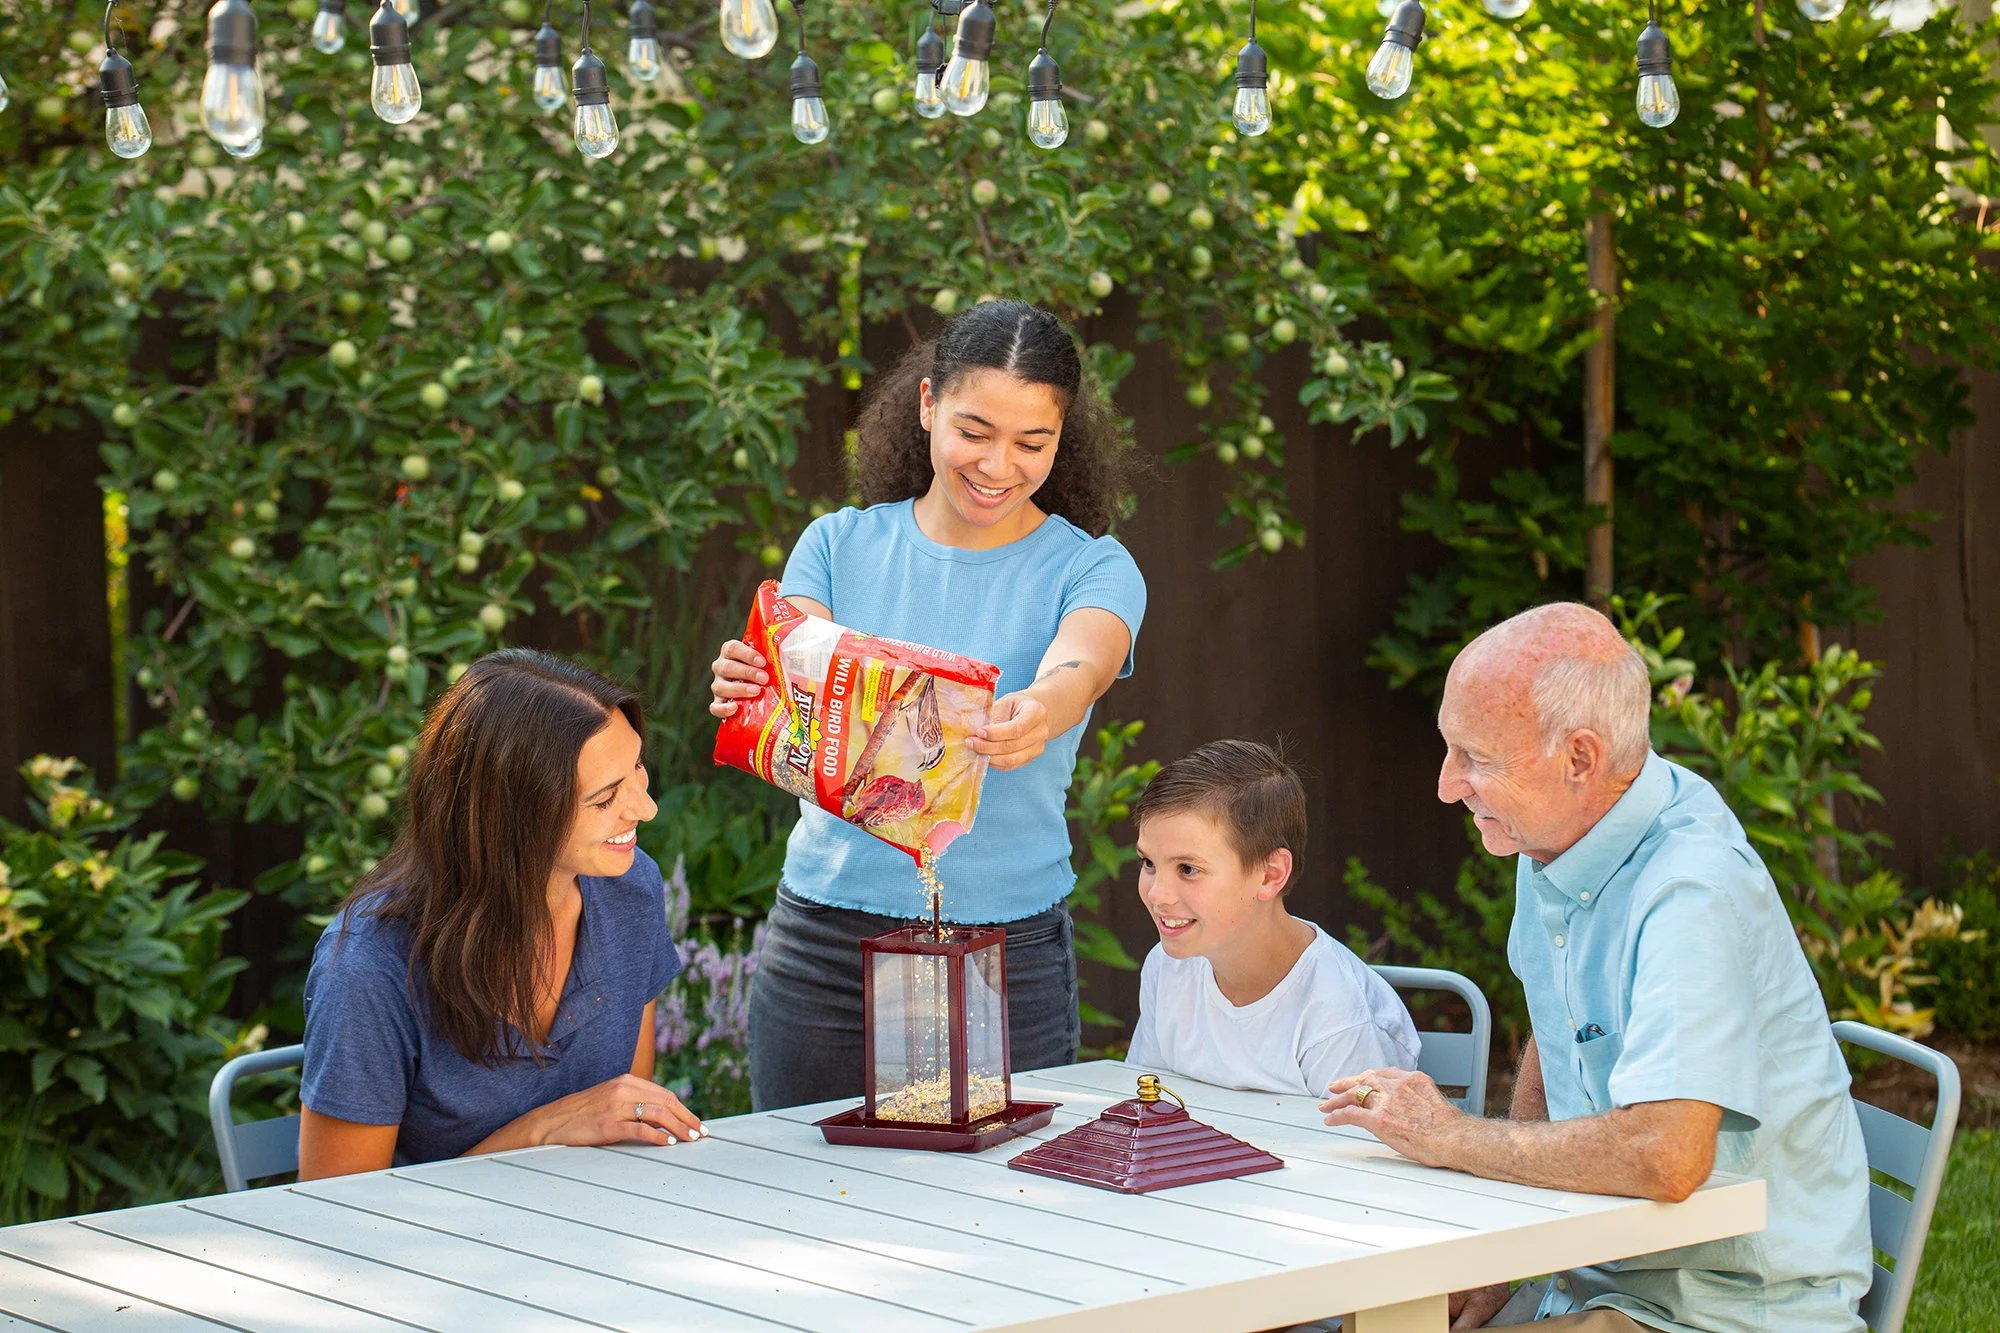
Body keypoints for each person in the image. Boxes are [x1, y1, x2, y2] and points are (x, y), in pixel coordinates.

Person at [1319, 603, 1871, 1333]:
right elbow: (1559, 1032)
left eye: (1477, 757)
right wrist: (1502, 1256)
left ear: (1579, 758)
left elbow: (1667, 1153)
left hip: (1720, 1309)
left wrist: (1451, 1136)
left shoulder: (1689, 891)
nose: (1447, 784)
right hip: (1600, 1273)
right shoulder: (1558, 834)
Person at [710, 299, 1147, 1112]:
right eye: (974, 431)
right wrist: (752, 684)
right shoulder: (837, 544)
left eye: (1032, 442)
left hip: (1002, 949)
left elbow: (1081, 664)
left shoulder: (1094, 568)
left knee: (1005, 1205)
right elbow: (795, 691)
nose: (998, 464)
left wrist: (1041, 711)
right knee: (804, 1197)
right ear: (925, 406)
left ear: (1063, 440)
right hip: (824, 947)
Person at [297, 649, 703, 1178]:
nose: (645, 808)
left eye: (637, 769)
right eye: (605, 798)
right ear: (512, 816)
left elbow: (624, 1127)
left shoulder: (630, 887)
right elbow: (339, 1210)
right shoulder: (369, 967)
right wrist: (540, 1132)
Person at [1125, 739, 1419, 1096]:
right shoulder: (1168, 969)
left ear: (1269, 874)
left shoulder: (1339, 1016)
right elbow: (1147, 1106)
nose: (1157, 894)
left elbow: (1349, 1151)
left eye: (1188, 868)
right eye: (1149, 863)